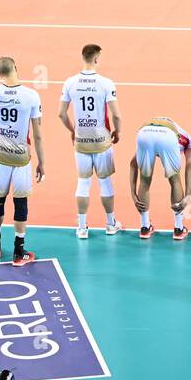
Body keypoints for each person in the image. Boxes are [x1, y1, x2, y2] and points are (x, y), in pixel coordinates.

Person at [0, 57, 45, 265]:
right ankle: (19, 251)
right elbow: (38, 135)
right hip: (21, 158)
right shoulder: (31, 96)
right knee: (20, 202)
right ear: (16, 68)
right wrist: (42, 162)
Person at [59, 44, 123, 238]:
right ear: (97, 59)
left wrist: (73, 130)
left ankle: (81, 227)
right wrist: (117, 132)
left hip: (81, 141)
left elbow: (61, 113)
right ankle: (111, 224)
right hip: (101, 140)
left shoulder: (70, 82)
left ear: (83, 57)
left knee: (83, 182)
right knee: (105, 182)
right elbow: (116, 115)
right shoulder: (106, 83)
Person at [130, 116, 191, 240]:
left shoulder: (182, 137)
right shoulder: (189, 142)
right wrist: (188, 195)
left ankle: (144, 228)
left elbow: (132, 164)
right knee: (175, 180)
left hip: (144, 132)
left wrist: (133, 193)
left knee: (144, 181)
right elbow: (190, 165)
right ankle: (179, 229)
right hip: (167, 136)